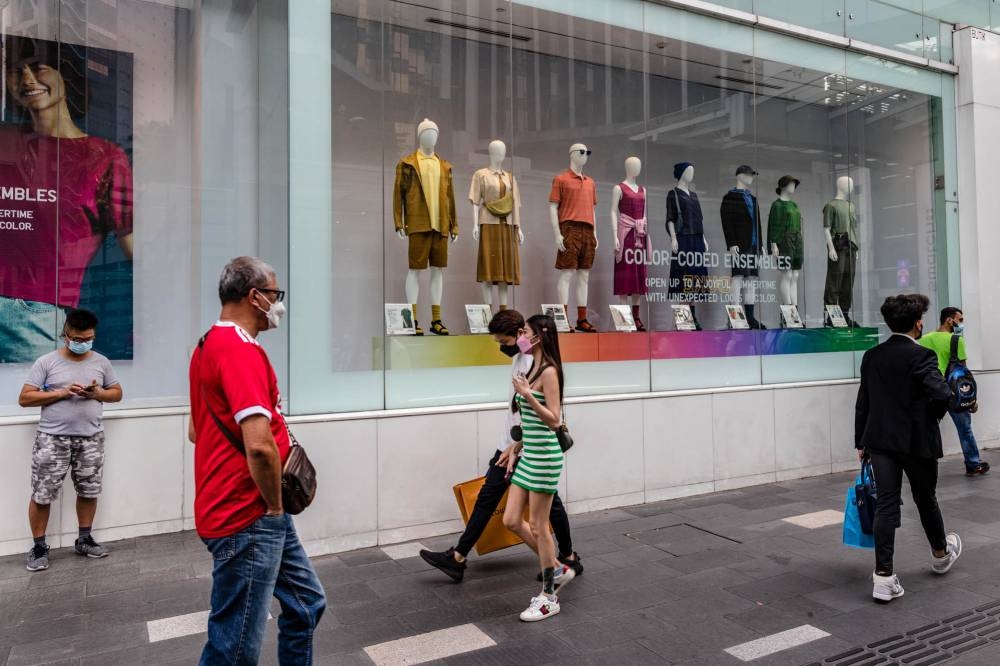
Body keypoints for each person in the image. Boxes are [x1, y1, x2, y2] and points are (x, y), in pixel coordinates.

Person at [189, 257, 325, 665]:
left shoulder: (208, 344)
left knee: (305, 605)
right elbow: (260, 446)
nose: (278, 304)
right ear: (255, 297)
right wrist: (274, 506)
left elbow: (196, 431)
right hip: (249, 515)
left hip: (254, 512)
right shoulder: (238, 350)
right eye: (275, 295)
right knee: (235, 645)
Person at [419, 310, 582, 583]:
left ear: (523, 334)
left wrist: (515, 445)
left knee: (545, 510)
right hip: (515, 445)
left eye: (503, 341)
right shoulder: (523, 358)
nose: (501, 347)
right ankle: (460, 556)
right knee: (497, 503)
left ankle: (562, 563)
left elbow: (537, 413)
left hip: (526, 447)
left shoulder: (537, 364)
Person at [0, 37, 133, 363]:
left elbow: (133, 246)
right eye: (17, 71)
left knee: (31, 406)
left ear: (65, 75)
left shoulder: (103, 157)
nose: (28, 79)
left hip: (36, 308)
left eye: (39, 68)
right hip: (31, 306)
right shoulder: (5, 138)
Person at [855, 294, 962, 603]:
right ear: (918, 323)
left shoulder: (872, 356)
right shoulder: (922, 356)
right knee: (925, 498)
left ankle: (884, 578)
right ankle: (941, 554)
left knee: (887, 504)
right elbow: (942, 394)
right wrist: (932, 416)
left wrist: (861, 442)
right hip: (917, 442)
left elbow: (864, 402)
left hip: (880, 441)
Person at [18, 308, 122, 571]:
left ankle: (84, 539)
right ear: (65, 335)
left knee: (89, 491)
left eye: (87, 338)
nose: (82, 343)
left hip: (90, 438)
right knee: (43, 494)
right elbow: (25, 398)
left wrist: (97, 392)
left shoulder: (101, 362)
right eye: (76, 339)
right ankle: (39, 547)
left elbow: (117, 394)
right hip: (52, 440)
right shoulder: (46, 362)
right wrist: (62, 392)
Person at [502, 314, 576, 621]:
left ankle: (549, 597)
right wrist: (517, 445)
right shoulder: (530, 367)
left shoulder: (549, 372)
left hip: (545, 458)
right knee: (510, 520)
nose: (520, 337)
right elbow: (531, 422)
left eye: (525, 332)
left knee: (538, 526)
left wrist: (528, 395)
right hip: (529, 454)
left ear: (539, 336)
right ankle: (557, 566)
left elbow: (554, 419)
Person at [919, 307, 990, 476]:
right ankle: (973, 464)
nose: (961, 323)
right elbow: (964, 373)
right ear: (950, 320)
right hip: (954, 392)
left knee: (927, 427)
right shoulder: (957, 340)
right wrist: (972, 400)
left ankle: (924, 463)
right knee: (965, 429)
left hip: (932, 390)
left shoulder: (924, 339)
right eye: (960, 319)